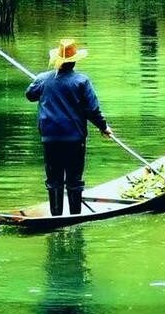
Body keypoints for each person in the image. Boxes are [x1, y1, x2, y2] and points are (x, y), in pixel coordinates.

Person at [25, 39, 113, 217]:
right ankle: (75, 217)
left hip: (50, 139)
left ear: (57, 59)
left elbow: (30, 95)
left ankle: (56, 216)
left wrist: (38, 81)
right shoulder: (81, 81)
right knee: (74, 180)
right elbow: (92, 110)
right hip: (74, 139)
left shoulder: (43, 78)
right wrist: (104, 127)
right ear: (74, 61)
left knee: (54, 180)